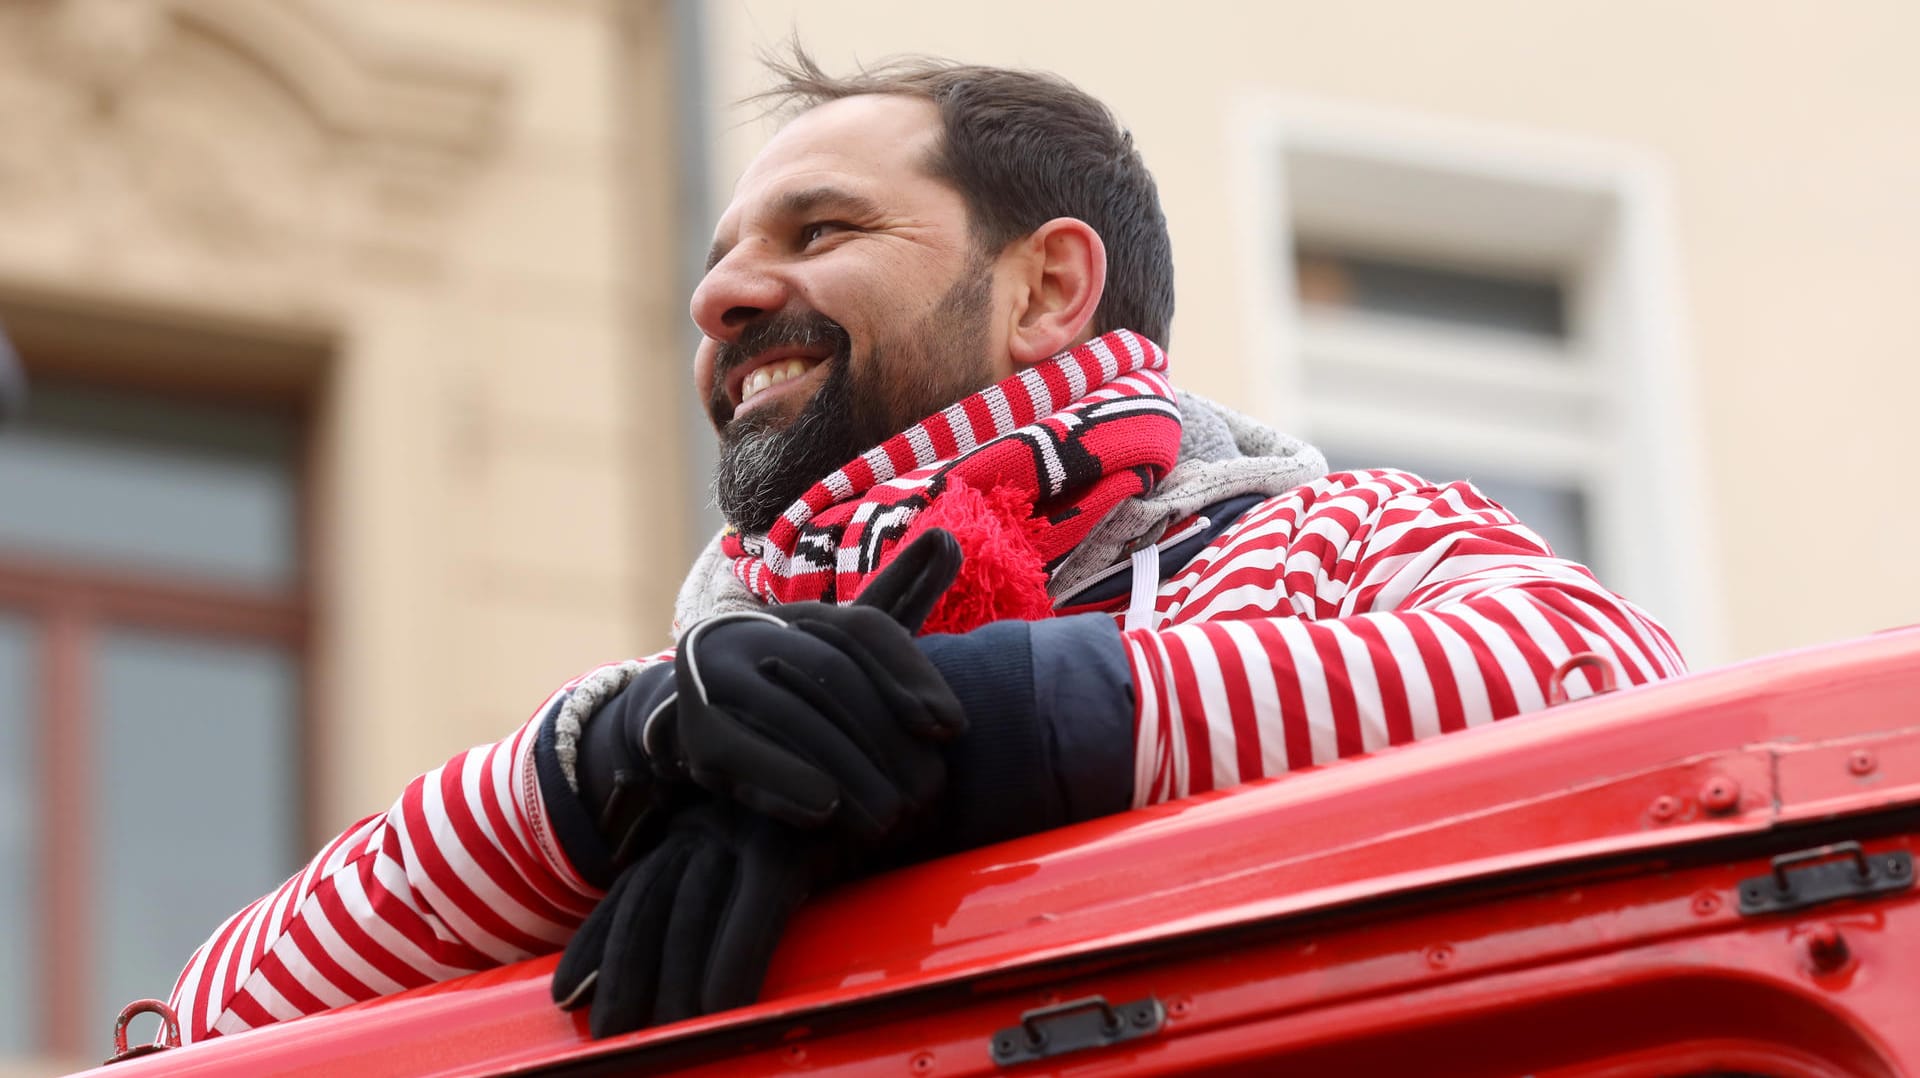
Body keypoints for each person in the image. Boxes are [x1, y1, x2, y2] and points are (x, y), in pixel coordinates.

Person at [165, 48, 1685, 1043]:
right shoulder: (705, 715)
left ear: (1047, 291)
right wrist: (607, 761)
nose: (724, 296)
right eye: (718, 262)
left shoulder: (1324, 544)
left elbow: (1603, 682)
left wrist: (1004, 730)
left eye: (818, 234)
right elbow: (222, 1021)